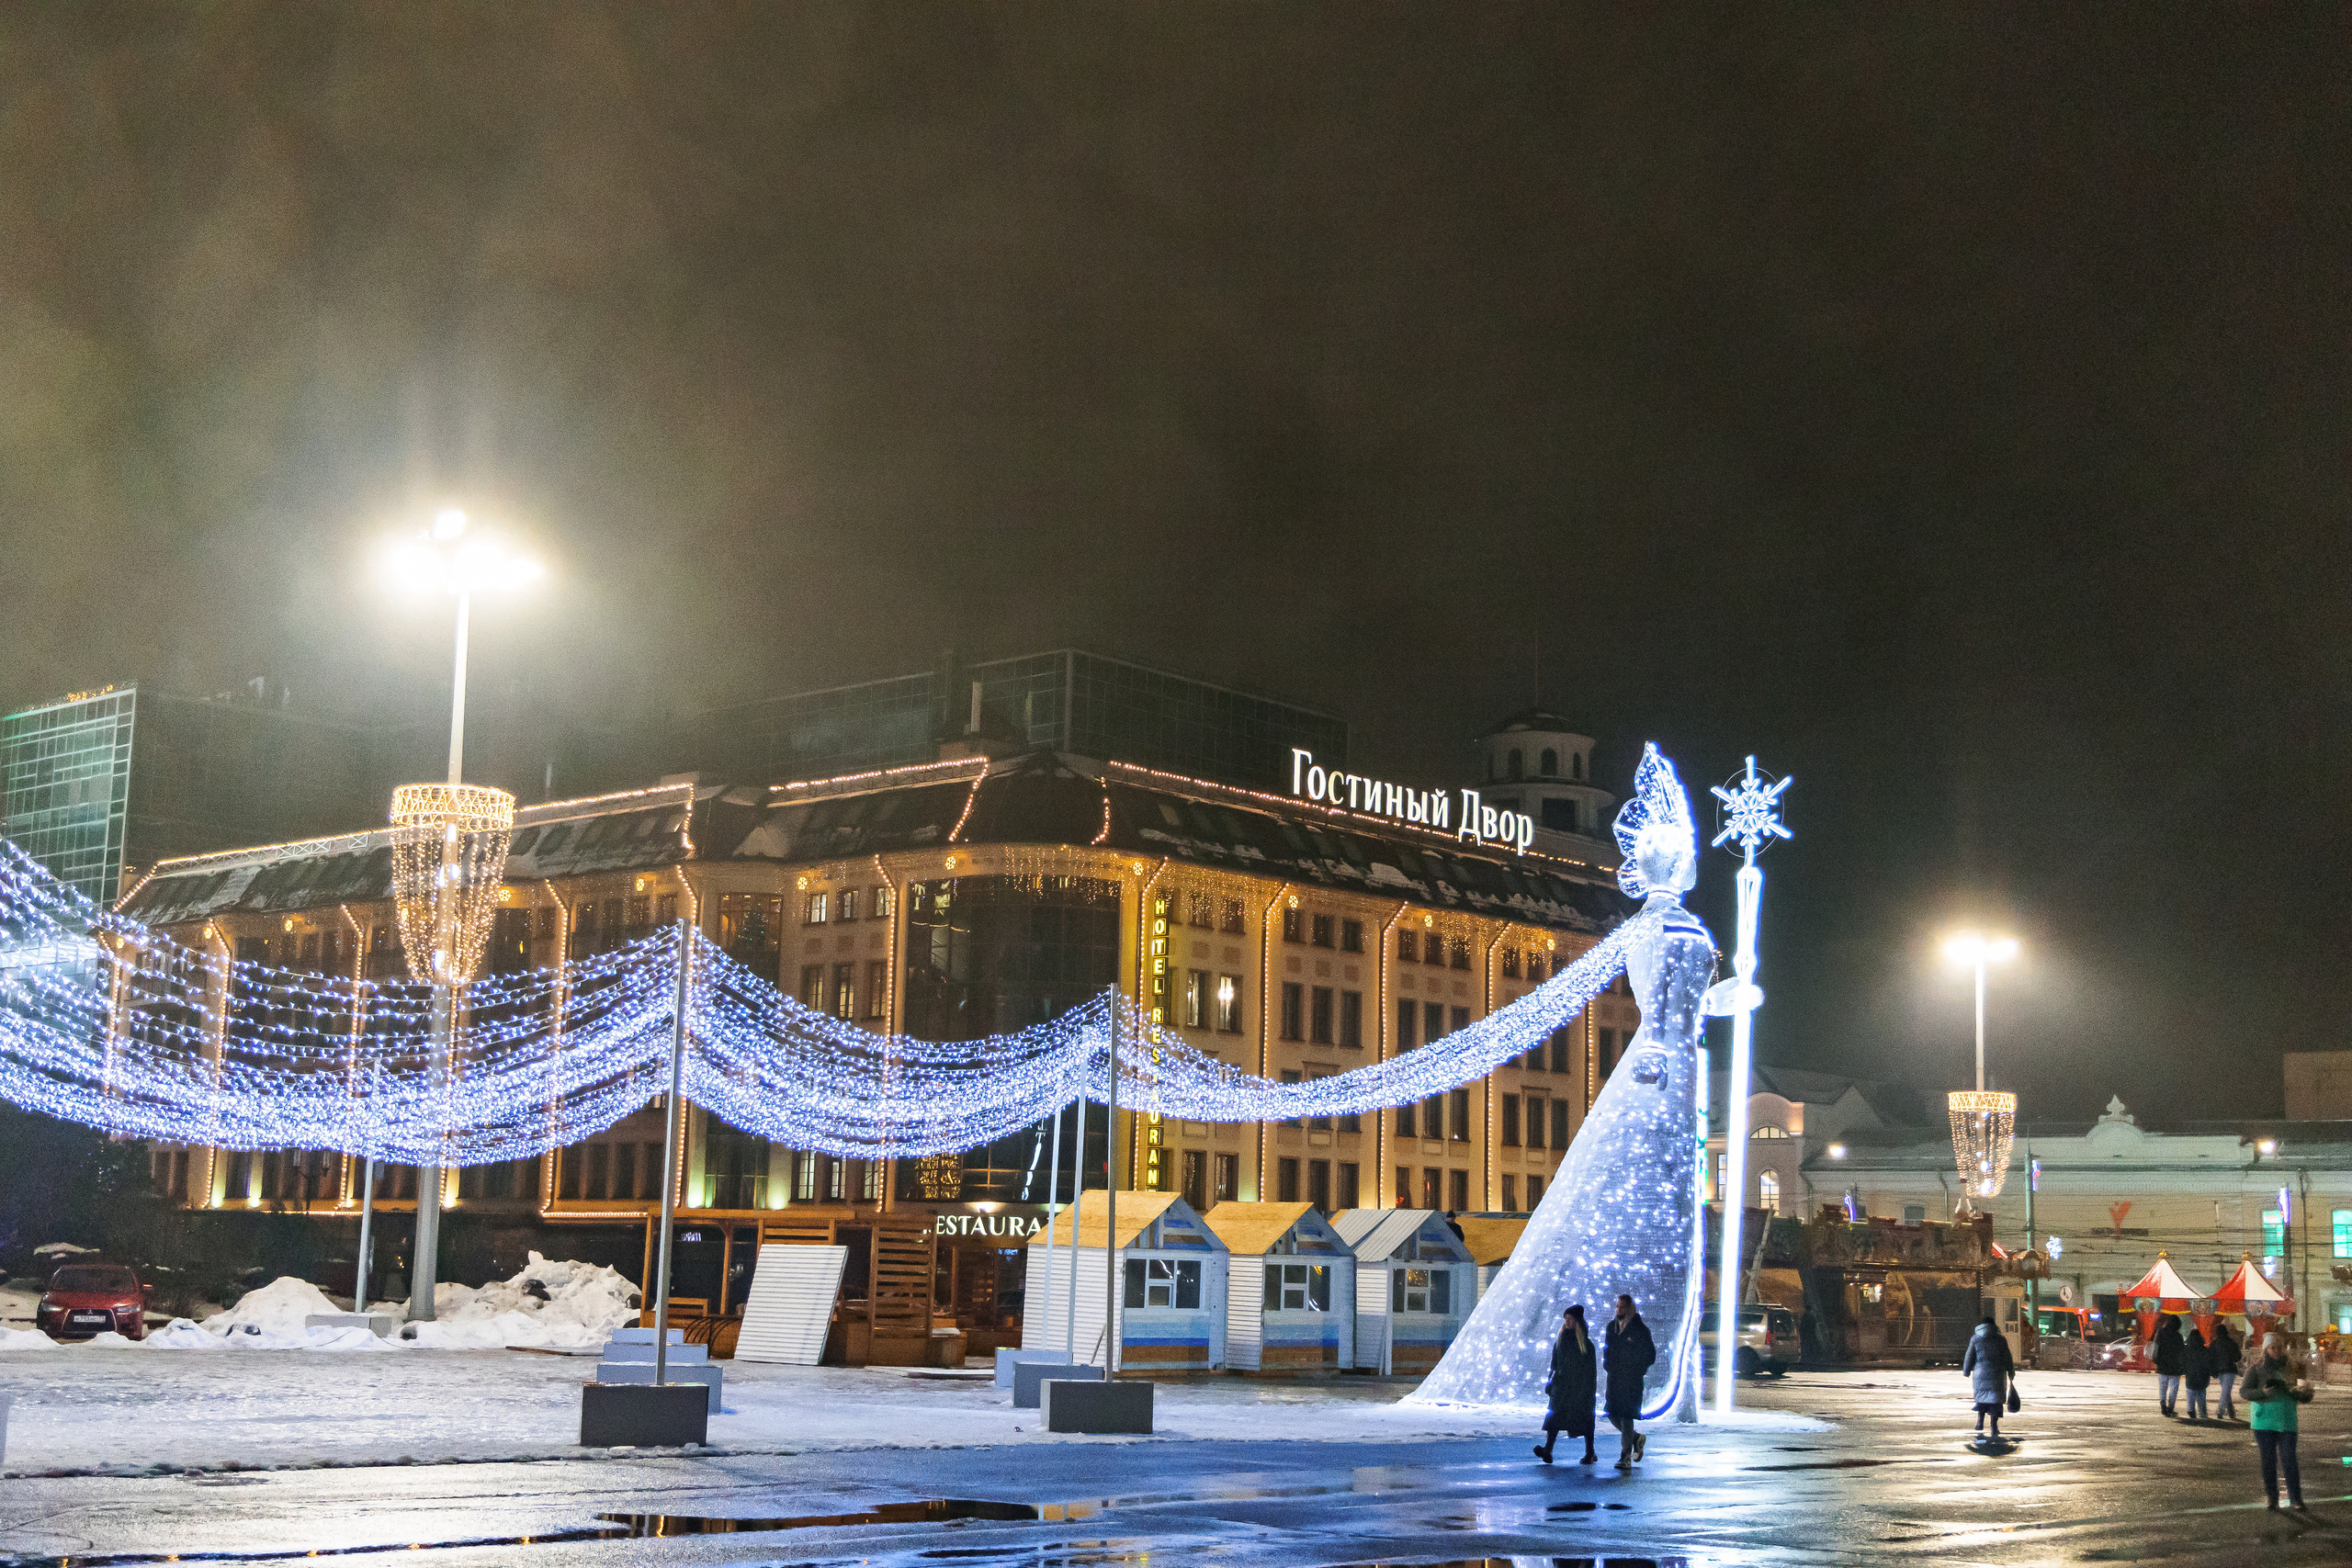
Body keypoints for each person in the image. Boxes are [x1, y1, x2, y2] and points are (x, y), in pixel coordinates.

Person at [2240, 1331, 2312, 1511]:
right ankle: (2272, 1498)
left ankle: (2296, 1499)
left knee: (2289, 1460)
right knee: (2268, 1461)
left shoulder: (2294, 1367)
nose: (2277, 1350)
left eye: (2280, 1347)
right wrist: (2262, 1393)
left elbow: (2306, 1393)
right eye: (2273, 1347)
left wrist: (2300, 1392)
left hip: (2287, 1420)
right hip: (2264, 1421)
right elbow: (2244, 1391)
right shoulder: (2256, 1369)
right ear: (2266, 1349)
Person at [1535, 1303, 1599, 1465]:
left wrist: (1587, 1391)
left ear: (1577, 1321)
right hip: (1561, 1388)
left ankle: (1590, 1452)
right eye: (1566, 1319)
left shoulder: (1585, 1345)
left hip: (1578, 1389)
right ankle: (1547, 1450)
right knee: (1554, 1418)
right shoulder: (1560, 1341)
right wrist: (1551, 1382)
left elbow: (1590, 1371)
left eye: (1570, 1319)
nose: (1567, 1322)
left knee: (1584, 1420)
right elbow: (1554, 1364)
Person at [1603, 1292, 1656, 1470]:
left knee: (1626, 1415)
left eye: (1622, 1307)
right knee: (1611, 1413)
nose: (1619, 1310)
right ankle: (1635, 1438)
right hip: (1615, 1379)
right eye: (1617, 1306)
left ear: (1629, 1308)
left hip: (1631, 1380)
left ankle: (1625, 1456)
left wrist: (1637, 1369)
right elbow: (1608, 1350)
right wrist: (1608, 1365)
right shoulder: (1612, 1327)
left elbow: (1650, 1354)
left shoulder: (1639, 1329)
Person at [1961, 1315, 2014, 1444]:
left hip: (1980, 1373)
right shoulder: (2001, 1339)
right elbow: (2007, 1356)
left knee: (1982, 1398)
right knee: (1996, 1401)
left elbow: (1969, 1356)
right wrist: (2011, 1371)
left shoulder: (1975, 1339)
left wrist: (1966, 1370)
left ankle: (1980, 1422)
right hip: (1997, 1373)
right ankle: (1994, 1426)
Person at [2153, 1314, 2186, 1416]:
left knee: (2163, 1386)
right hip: (2175, 1367)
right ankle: (2170, 1408)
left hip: (2163, 1364)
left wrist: (2156, 1360)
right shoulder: (2179, 1336)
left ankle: (2163, 1406)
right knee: (2174, 1388)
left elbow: (2156, 1348)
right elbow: (2182, 1352)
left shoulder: (2161, 1333)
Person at [2211, 1320, 2242, 1422]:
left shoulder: (2214, 1344)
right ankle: (2224, 1410)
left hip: (2219, 1370)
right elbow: (2237, 1357)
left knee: (2226, 1390)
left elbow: (2211, 1358)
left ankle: (2227, 1410)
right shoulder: (2232, 1343)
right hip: (2230, 1369)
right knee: (2226, 1391)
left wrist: (2213, 1370)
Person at [2183, 1323, 2213, 1420]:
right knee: (2201, 1393)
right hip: (2203, 1374)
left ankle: (2191, 1410)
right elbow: (2209, 1362)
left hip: (2190, 1373)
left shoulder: (2186, 1349)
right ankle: (2202, 1412)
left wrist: (2183, 1370)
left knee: (2190, 1391)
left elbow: (2182, 1361)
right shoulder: (2205, 1350)